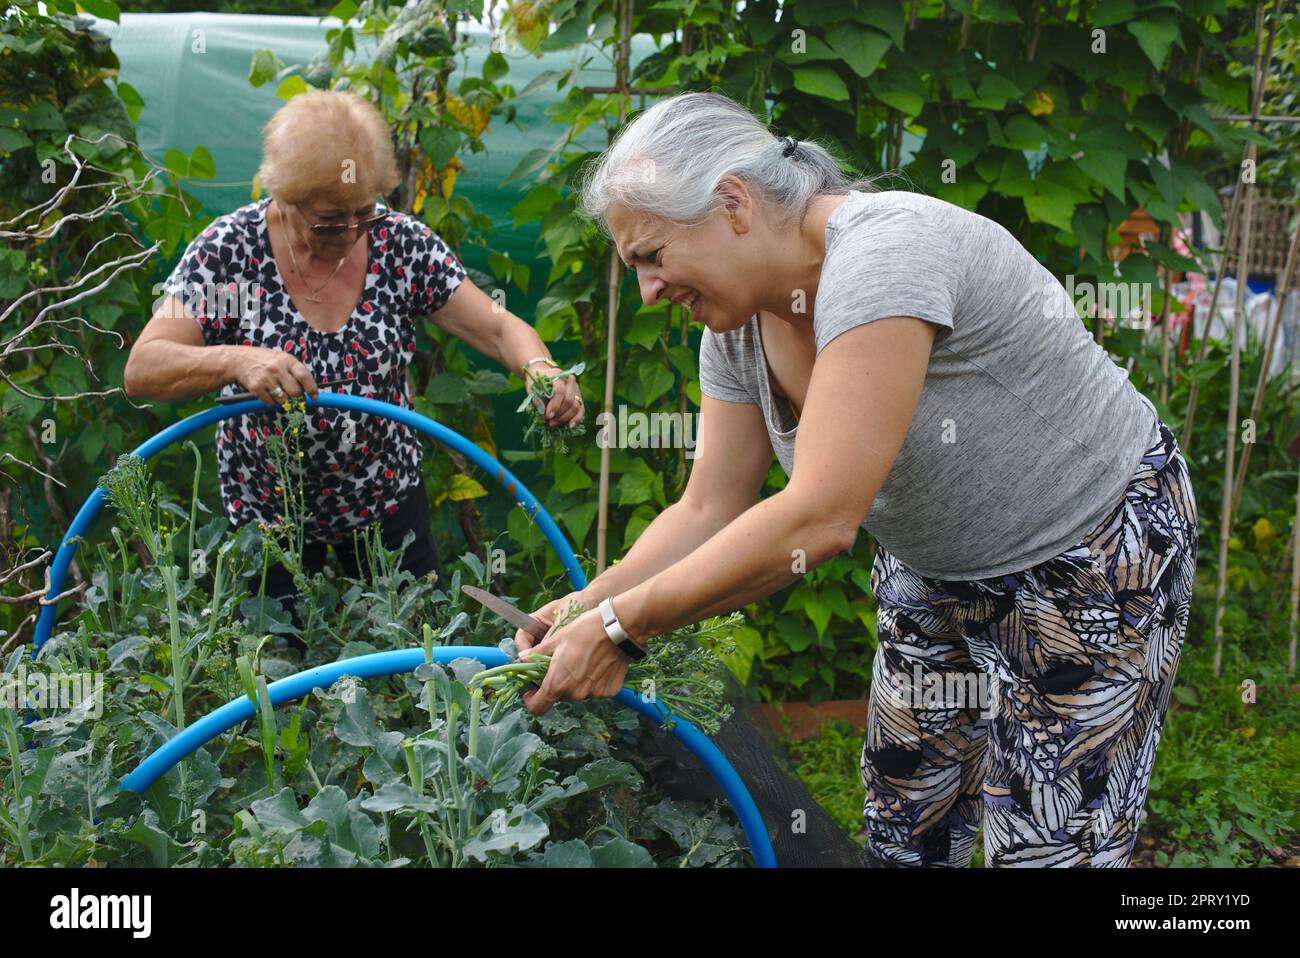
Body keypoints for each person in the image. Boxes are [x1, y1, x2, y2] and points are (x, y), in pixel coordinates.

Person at [511, 91, 1198, 868]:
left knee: (1051, 847)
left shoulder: (885, 255)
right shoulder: (738, 329)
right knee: (909, 827)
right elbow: (707, 506)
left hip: (1091, 559)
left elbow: (821, 519)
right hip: (935, 569)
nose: (647, 289)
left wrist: (622, 630)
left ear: (733, 203)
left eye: (652, 255)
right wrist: (584, 605)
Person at [124, 89, 584, 642]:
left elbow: (496, 325)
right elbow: (144, 368)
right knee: (276, 681)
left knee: (422, 659)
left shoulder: (396, 244)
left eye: (362, 213)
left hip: (385, 499)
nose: (350, 232)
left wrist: (539, 367)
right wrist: (237, 359)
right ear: (283, 198)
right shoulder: (230, 253)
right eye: (327, 220)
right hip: (270, 518)